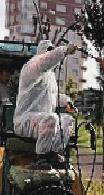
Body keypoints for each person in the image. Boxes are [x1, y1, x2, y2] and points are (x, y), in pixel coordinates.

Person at [13, 40, 77, 168]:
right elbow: (44, 61)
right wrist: (63, 50)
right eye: (49, 52)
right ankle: (42, 157)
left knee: (67, 120)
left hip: (42, 119)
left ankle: (56, 154)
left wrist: (67, 102)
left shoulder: (50, 77)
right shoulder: (31, 67)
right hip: (25, 119)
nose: (51, 55)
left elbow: (53, 96)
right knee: (51, 119)